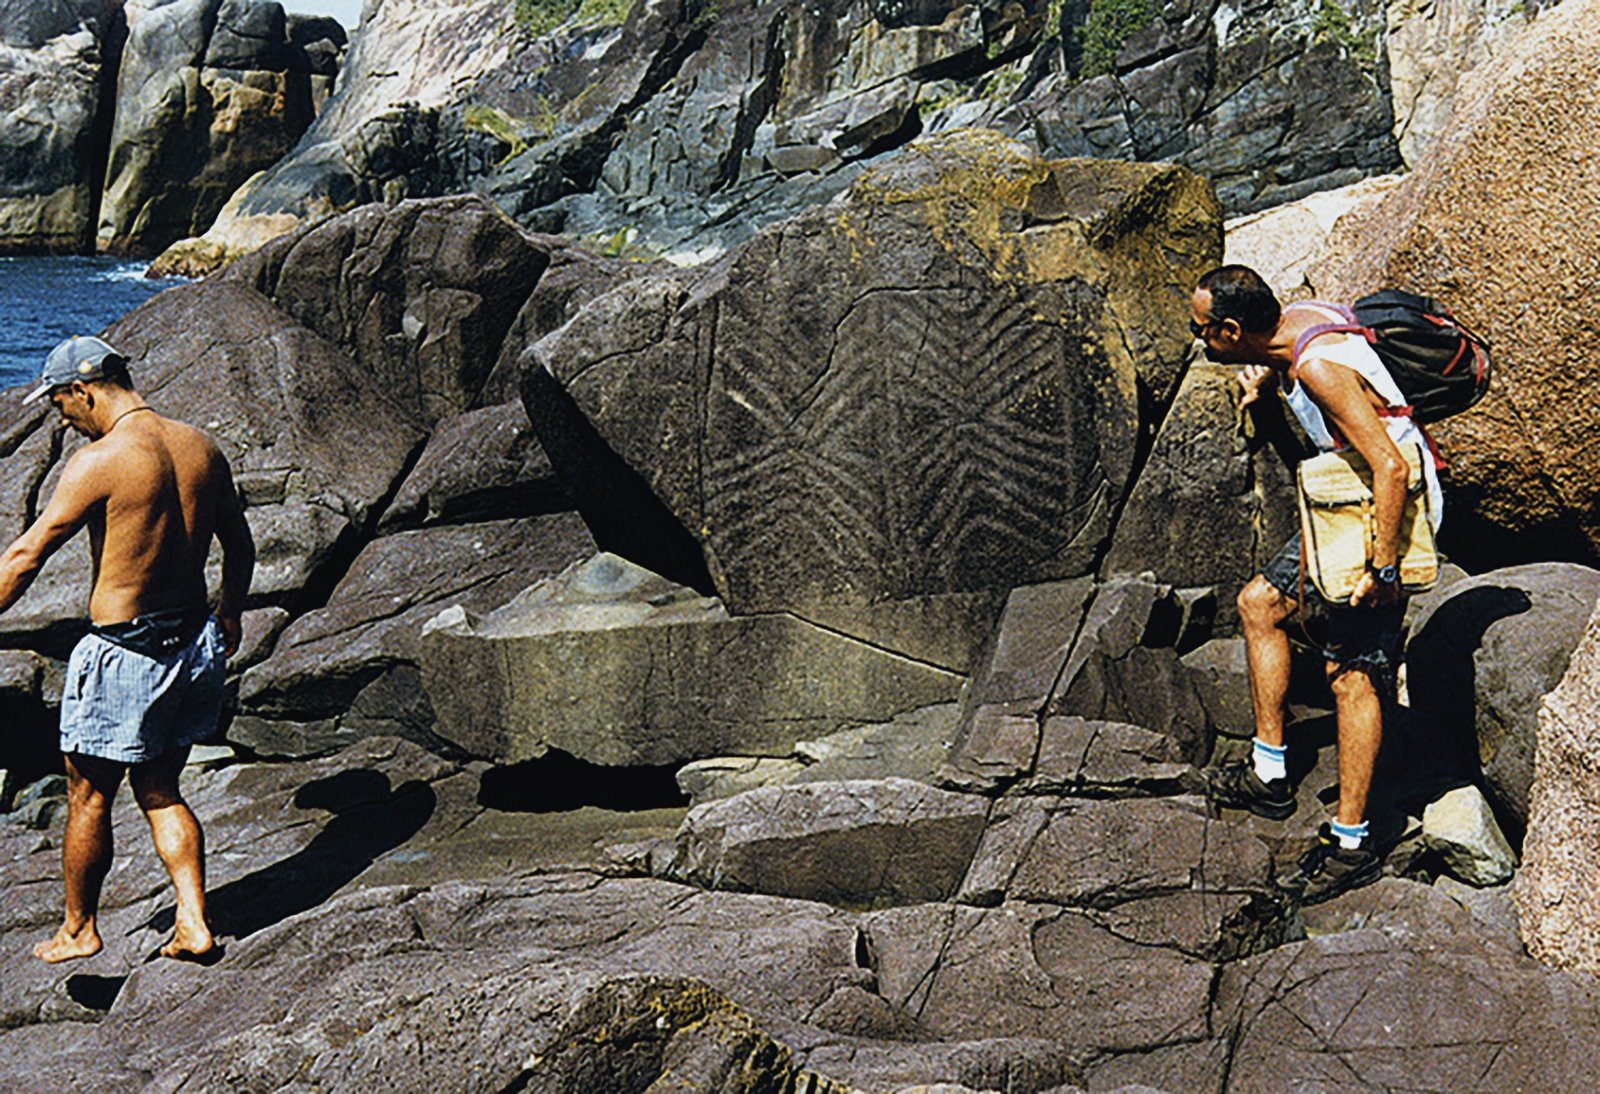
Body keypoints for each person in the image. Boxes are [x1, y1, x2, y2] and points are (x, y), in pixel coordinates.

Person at [1188, 266, 1442, 905]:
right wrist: (1265, 385)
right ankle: (1270, 774)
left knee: (1353, 672)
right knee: (1260, 605)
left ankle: (1353, 840)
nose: (1198, 343)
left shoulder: (1318, 368)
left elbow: (1387, 462)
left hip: (1386, 513)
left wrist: (1382, 570)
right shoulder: (1297, 326)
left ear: (1230, 330)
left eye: (1202, 332)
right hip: (1341, 507)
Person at [0, 336, 254, 963]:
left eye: (60, 403)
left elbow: (25, 556)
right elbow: (240, 547)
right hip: (192, 645)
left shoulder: (99, 461)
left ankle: (78, 928)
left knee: (89, 794)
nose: (61, 417)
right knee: (161, 785)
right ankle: (193, 921)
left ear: (83, 389)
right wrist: (229, 613)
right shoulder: (201, 446)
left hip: (124, 652)